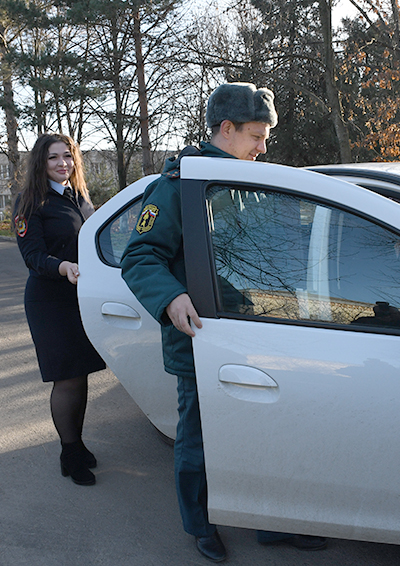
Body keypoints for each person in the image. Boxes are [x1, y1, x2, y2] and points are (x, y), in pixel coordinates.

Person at [121, 83, 327, 562]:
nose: (263, 147)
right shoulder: (177, 187)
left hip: (259, 331)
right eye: (256, 136)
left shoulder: (249, 184)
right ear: (227, 129)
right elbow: (140, 257)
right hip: (203, 338)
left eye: (265, 137)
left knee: (268, 433)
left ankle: (271, 524)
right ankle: (200, 524)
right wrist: (171, 298)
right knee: (198, 439)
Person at [14, 133, 106, 487]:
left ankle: (78, 443)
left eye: (67, 156)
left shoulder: (80, 197)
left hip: (80, 296)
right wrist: (63, 267)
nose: (62, 163)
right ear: (41, 163)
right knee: (66, 377)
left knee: (81, 373)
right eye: (53, 158)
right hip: (49, 299)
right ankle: (69, 452)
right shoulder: (30, 202)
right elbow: (32, 257)